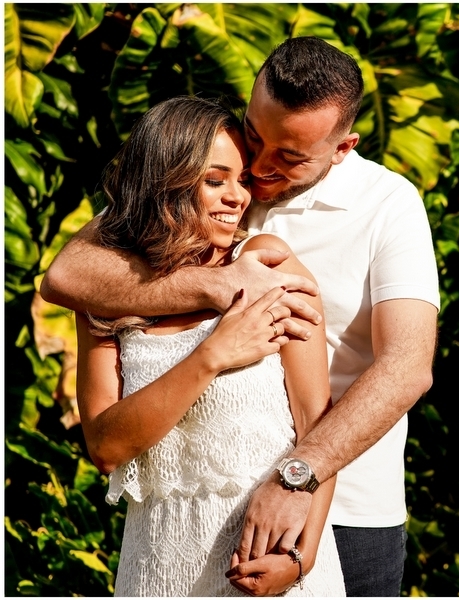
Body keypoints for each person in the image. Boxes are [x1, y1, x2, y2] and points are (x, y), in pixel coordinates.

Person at [42, 37, 440, 596]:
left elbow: (406, 368)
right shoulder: (217, 170)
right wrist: (218, 285)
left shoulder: (388, 205)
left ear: (343, 147)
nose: (259, 165)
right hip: (189, 505)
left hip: (348, 503)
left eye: (290, 155)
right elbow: (68, 276)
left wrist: (298, 477)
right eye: (257, 133)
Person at [73, 96, 345, 596]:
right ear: (165, 182)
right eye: (214, 180)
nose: (237, 197)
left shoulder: (270, 268)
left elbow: (319, 426)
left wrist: (300, 560)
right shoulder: (108, 294)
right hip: (158, 566)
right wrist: (212, 355)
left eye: (242, 181)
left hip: (269, 564)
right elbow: (106, 447)